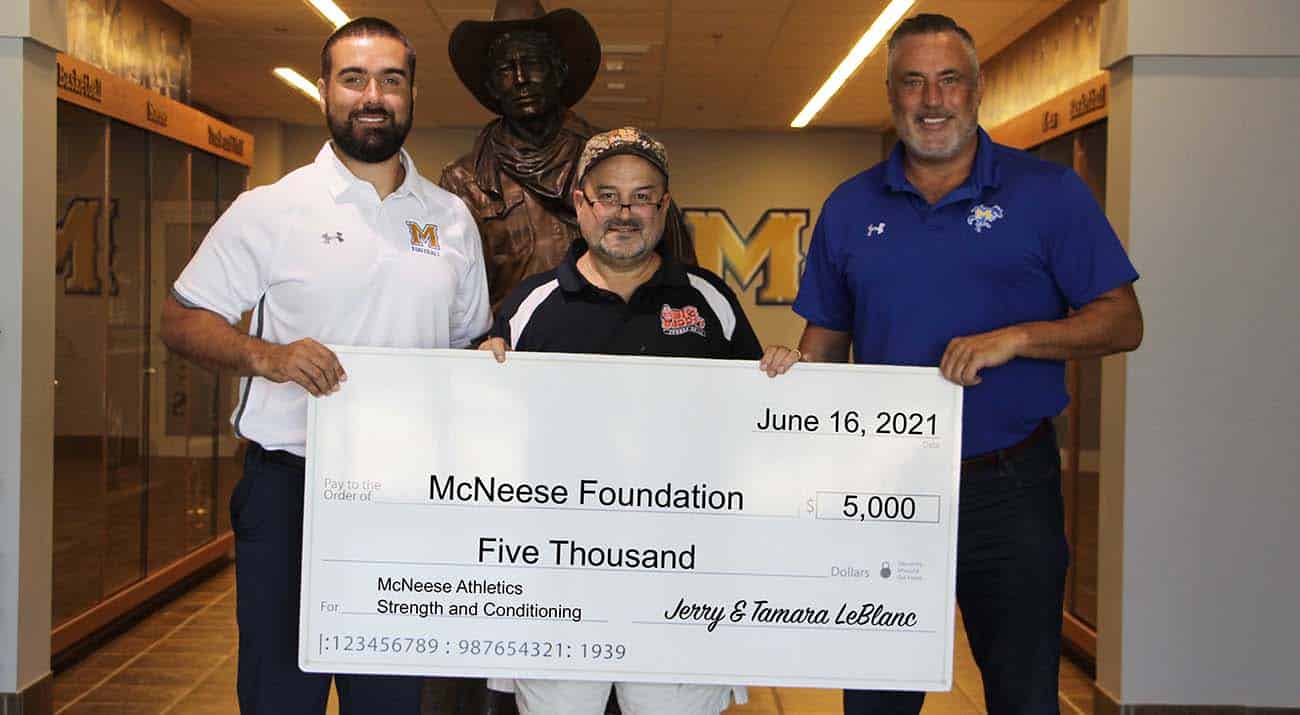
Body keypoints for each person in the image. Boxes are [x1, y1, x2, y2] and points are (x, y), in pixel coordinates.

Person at [791, 14, 1143, 715]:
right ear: (891, 94)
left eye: (949, 80)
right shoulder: (849, 206)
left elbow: (1123, 319)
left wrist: (1018, 337)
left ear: (976, 88)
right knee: (876, 698)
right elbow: (822, 347)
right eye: (913, 82)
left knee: (1022, 694)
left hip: (1009, 488)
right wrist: (787, 397)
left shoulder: (1049, 194)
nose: (932, 99)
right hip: (883, 489)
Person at [159, 17, 490, 714]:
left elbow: (467, 345)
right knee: (281, 693)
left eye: (391, 80)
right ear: (323, 92)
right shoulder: (272, 209)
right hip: (290, 491)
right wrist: (267, 356)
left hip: (406, 494)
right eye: (354, 78)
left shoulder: (453, 219)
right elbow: (181, 318)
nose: (374, 95)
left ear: (411, 94)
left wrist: (489, 358)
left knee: (391, 698)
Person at [479, 127, 797, 715]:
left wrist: (785, 379)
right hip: (557, 578)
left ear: (663, 207)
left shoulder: (709, 301)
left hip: (683, 578)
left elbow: (757, 424)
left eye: (642, 196)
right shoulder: (527, 306)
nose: (624, 212)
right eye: (608, 196)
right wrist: (479, 377)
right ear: (581, 204)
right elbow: (488, 435)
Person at [440, 0, 696, 311]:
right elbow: (456, 301)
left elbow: (684, 277)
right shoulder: (466, 180)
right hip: (515, 352)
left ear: (558, 72)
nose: (521, 78)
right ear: (492, 85)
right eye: (506, 69)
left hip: (616, 344)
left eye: (533, 62)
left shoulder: (615, 162)